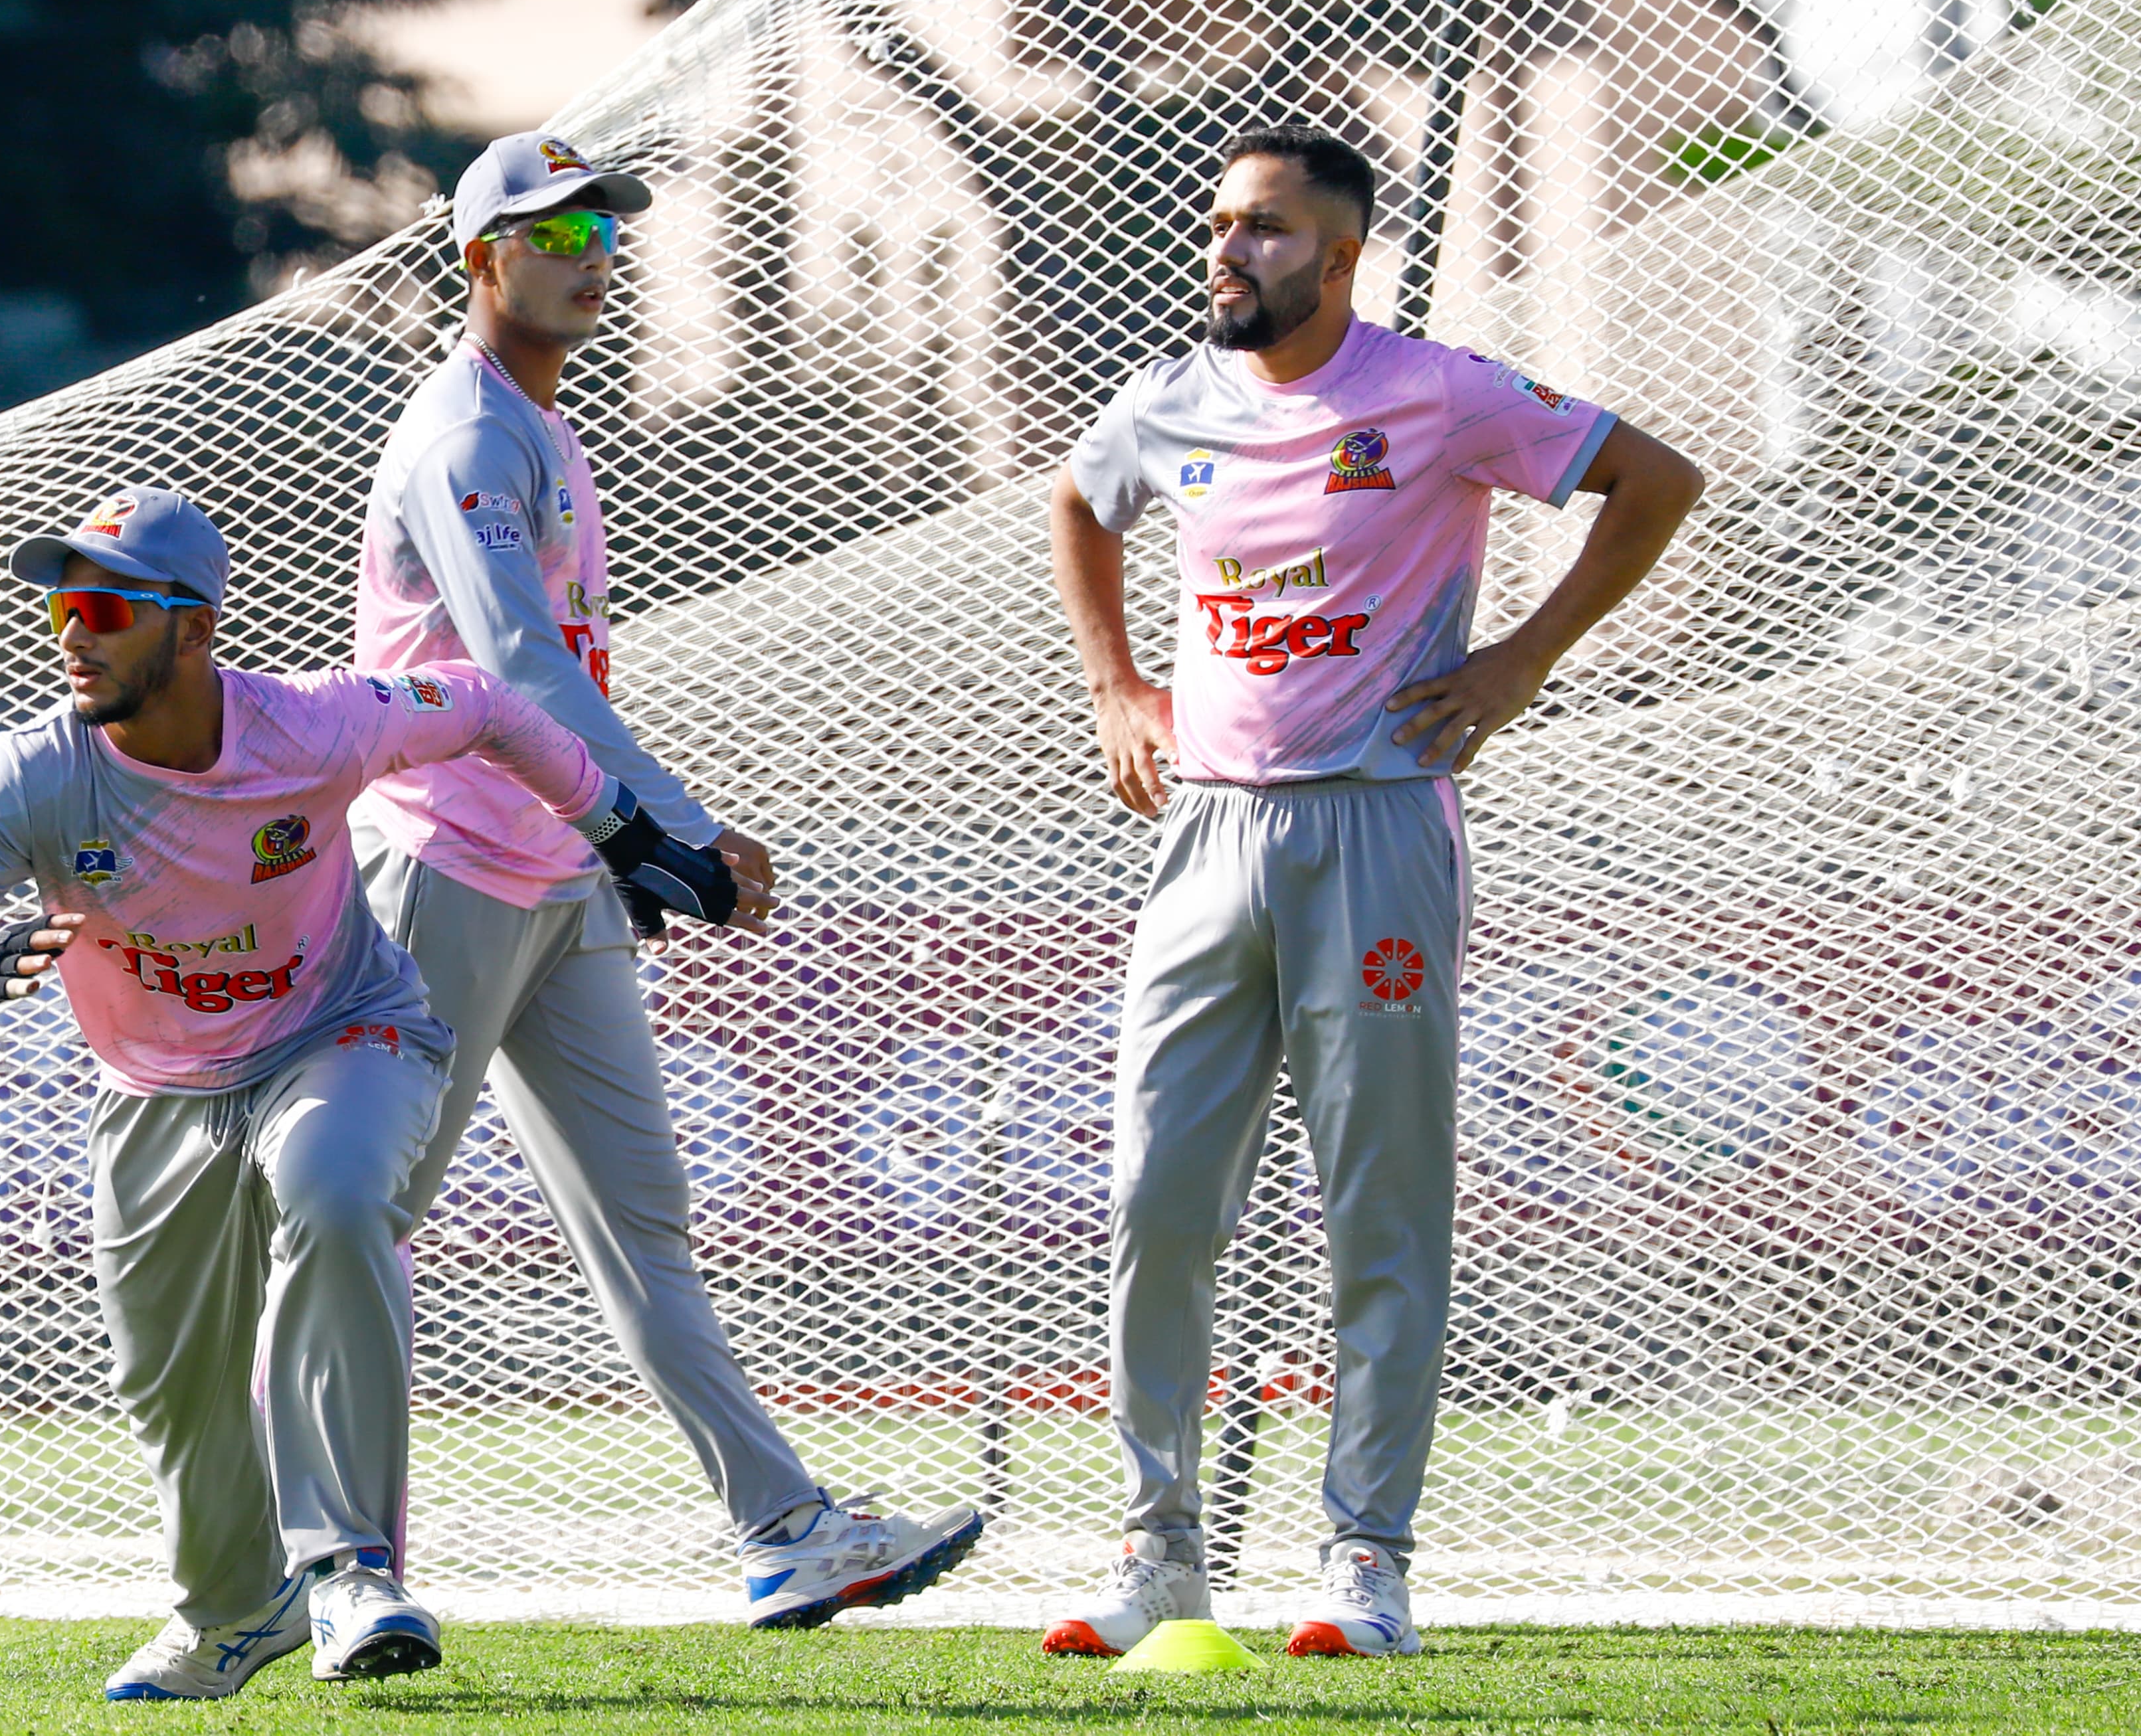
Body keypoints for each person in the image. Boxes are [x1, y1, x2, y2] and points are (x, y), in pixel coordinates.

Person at [0, 485, 743, 1697]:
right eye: (63, 603)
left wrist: (625, 832)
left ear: (194, 631)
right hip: (152, 1092)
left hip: (342, 1033)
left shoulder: (314, 725)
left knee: (337, 1190)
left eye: (106, 606)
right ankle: (228, 1616)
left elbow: (482, 704)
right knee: (176, 1389)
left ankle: (353, 1567)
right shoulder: (32, 776)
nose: (73, 631)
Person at [1040, 126, 1705, 1660]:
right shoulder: (1171, 401)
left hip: (1380, 829)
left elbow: (1654, 480)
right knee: (1154, 1195)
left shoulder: (1440, 392)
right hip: (1202, 834)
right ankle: (1157, 1553)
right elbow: (1080, 506)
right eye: (1219, 225)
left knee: (1380, 1206)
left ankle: (1363, 1561)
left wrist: (1523, 660)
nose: (1229, 251)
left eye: (1265, 231)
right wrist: (1113, 685)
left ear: (1339, 260)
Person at [351, 130, 983, 1626]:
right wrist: (674, 829)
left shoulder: (543, 425)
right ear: (480, 258)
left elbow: (548, 674)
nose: (586, 255)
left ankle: (784, 1530)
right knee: (357, 1223)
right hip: (440, 867)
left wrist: (616, 841)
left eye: (602, 233)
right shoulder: (464, 435)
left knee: (641, 1222)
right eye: (552, 231)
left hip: (553, 875)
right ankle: (325, 1565)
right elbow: (509, 669)